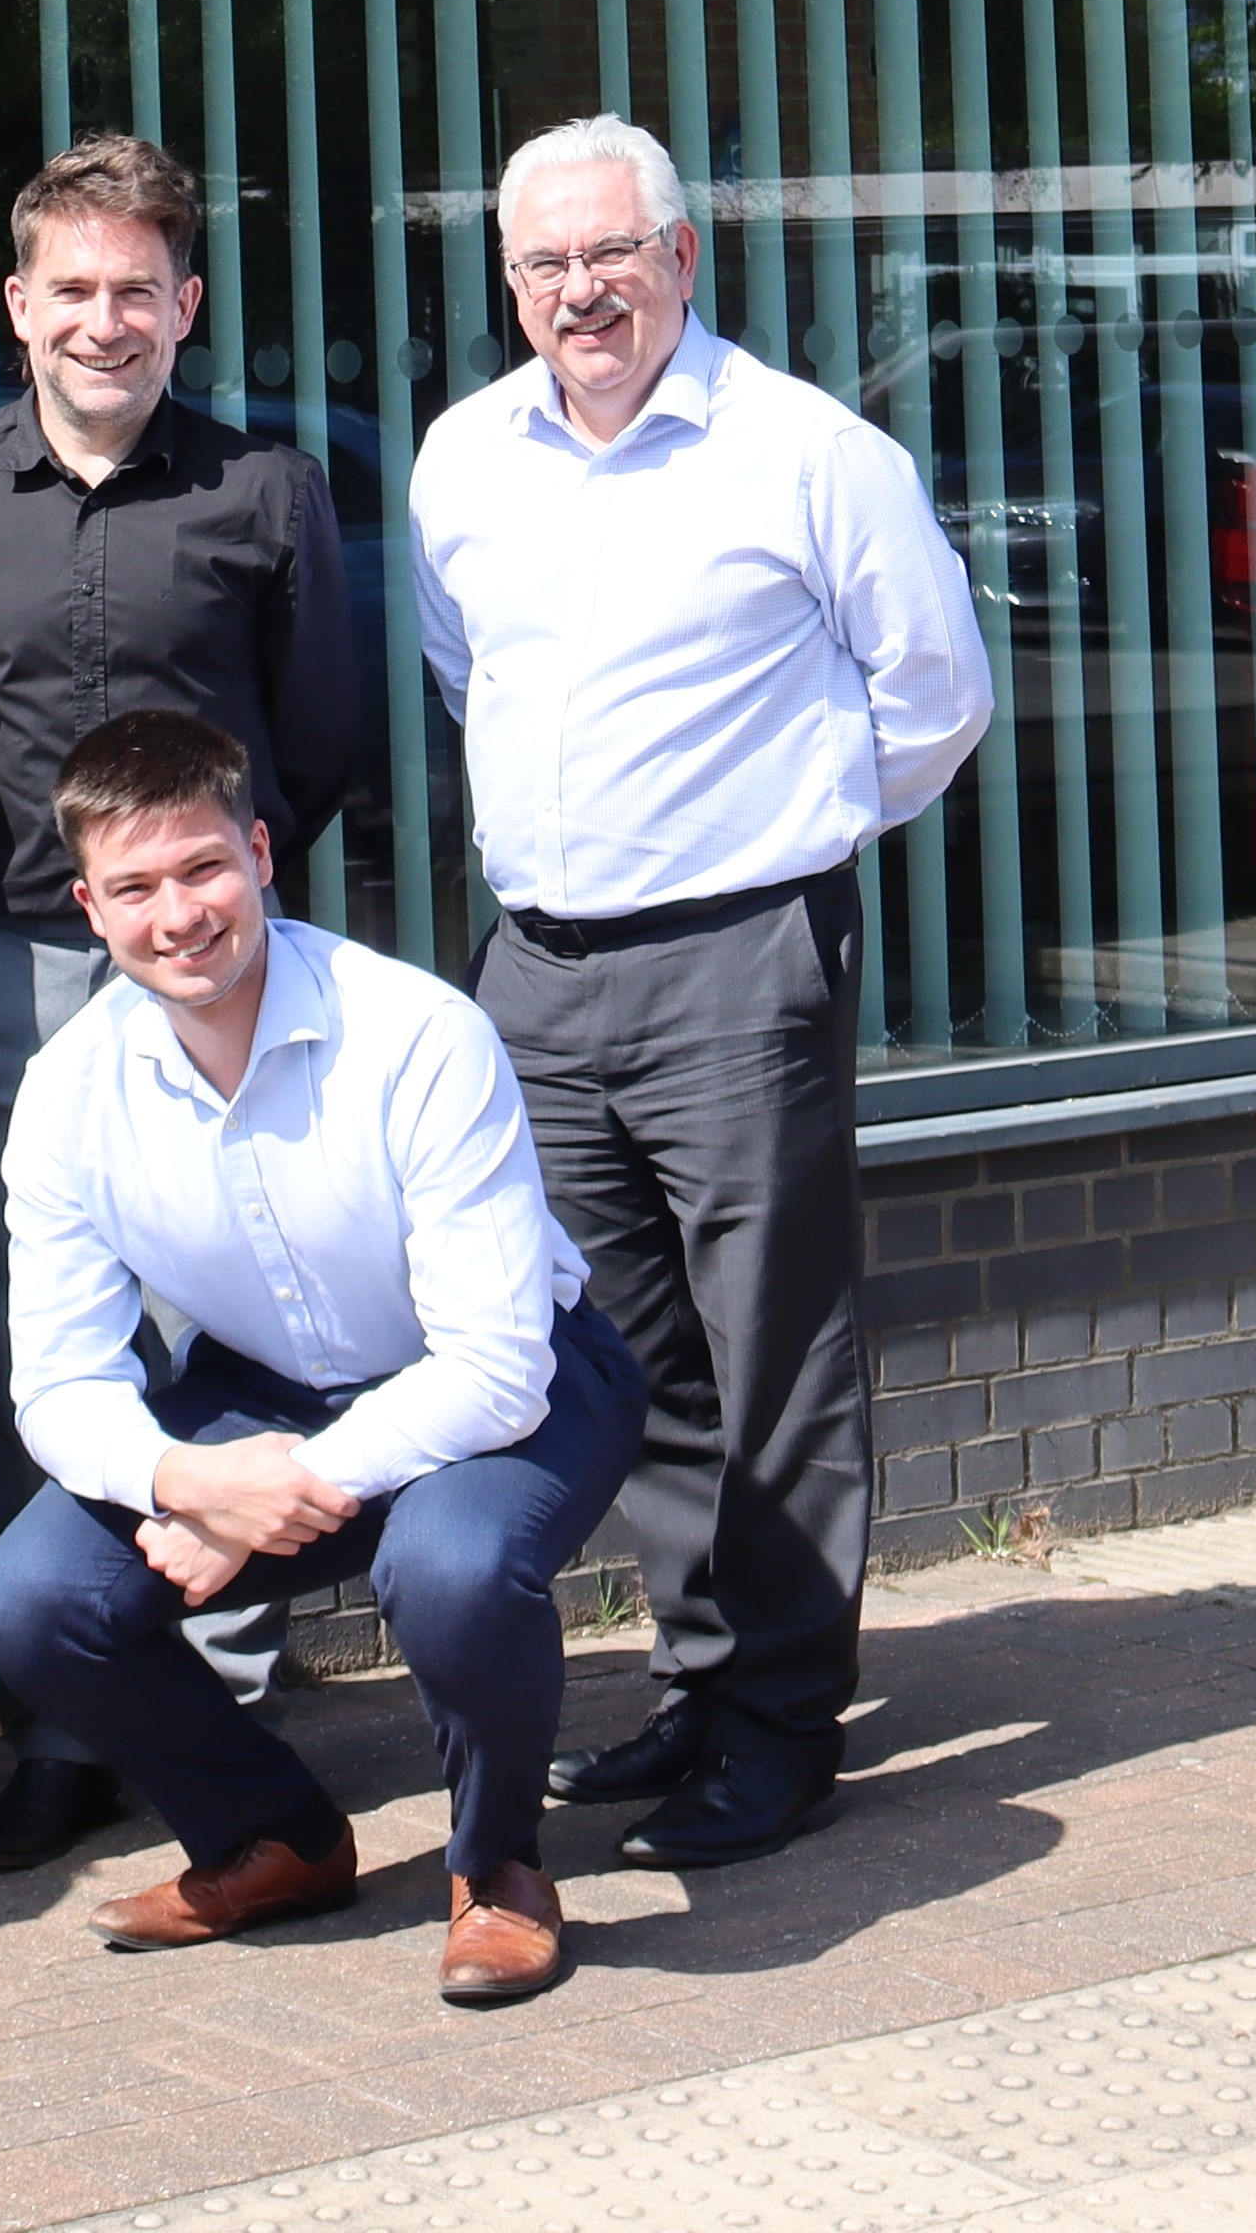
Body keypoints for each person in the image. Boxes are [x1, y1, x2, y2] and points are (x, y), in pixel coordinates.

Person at [413, 111, 993, 1872]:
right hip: (539, 972)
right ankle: (699, 1671)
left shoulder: (808, 454)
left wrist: (783, 835)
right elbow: (467, 678)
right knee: (633, 1354)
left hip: (738, 962)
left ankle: (783, 1726)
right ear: (507, 284)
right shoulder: (462, 459)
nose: (578, 290)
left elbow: (933, 696)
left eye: (609, 254)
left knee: (776, 1356)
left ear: (682, 258)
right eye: (543, 264)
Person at [0, 710, 645, 2004]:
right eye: (134, 886)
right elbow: (56, 1384)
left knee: (447, 1563)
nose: (176, 913)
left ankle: (495, 1870)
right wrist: (185, 1483)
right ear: (87, 906)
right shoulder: (66, 1093)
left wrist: (258, 1502)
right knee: (31, 1600)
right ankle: (270, 1840)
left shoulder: (413, 1032)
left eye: (201, 868)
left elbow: (495, 1366)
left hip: (519, 1381)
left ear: (261, 852)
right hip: (264, 1396)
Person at [0, 128, 368, 1875]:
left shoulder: (264, 492)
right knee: (39, 1324)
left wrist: (198, 923)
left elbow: (317, 736)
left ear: (190, 304)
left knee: (224, 1307)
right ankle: (67, 1720)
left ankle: (223, 1684)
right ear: (18, 306)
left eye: (135, 293)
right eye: (69, 291)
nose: (104, 323)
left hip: (211, 972)